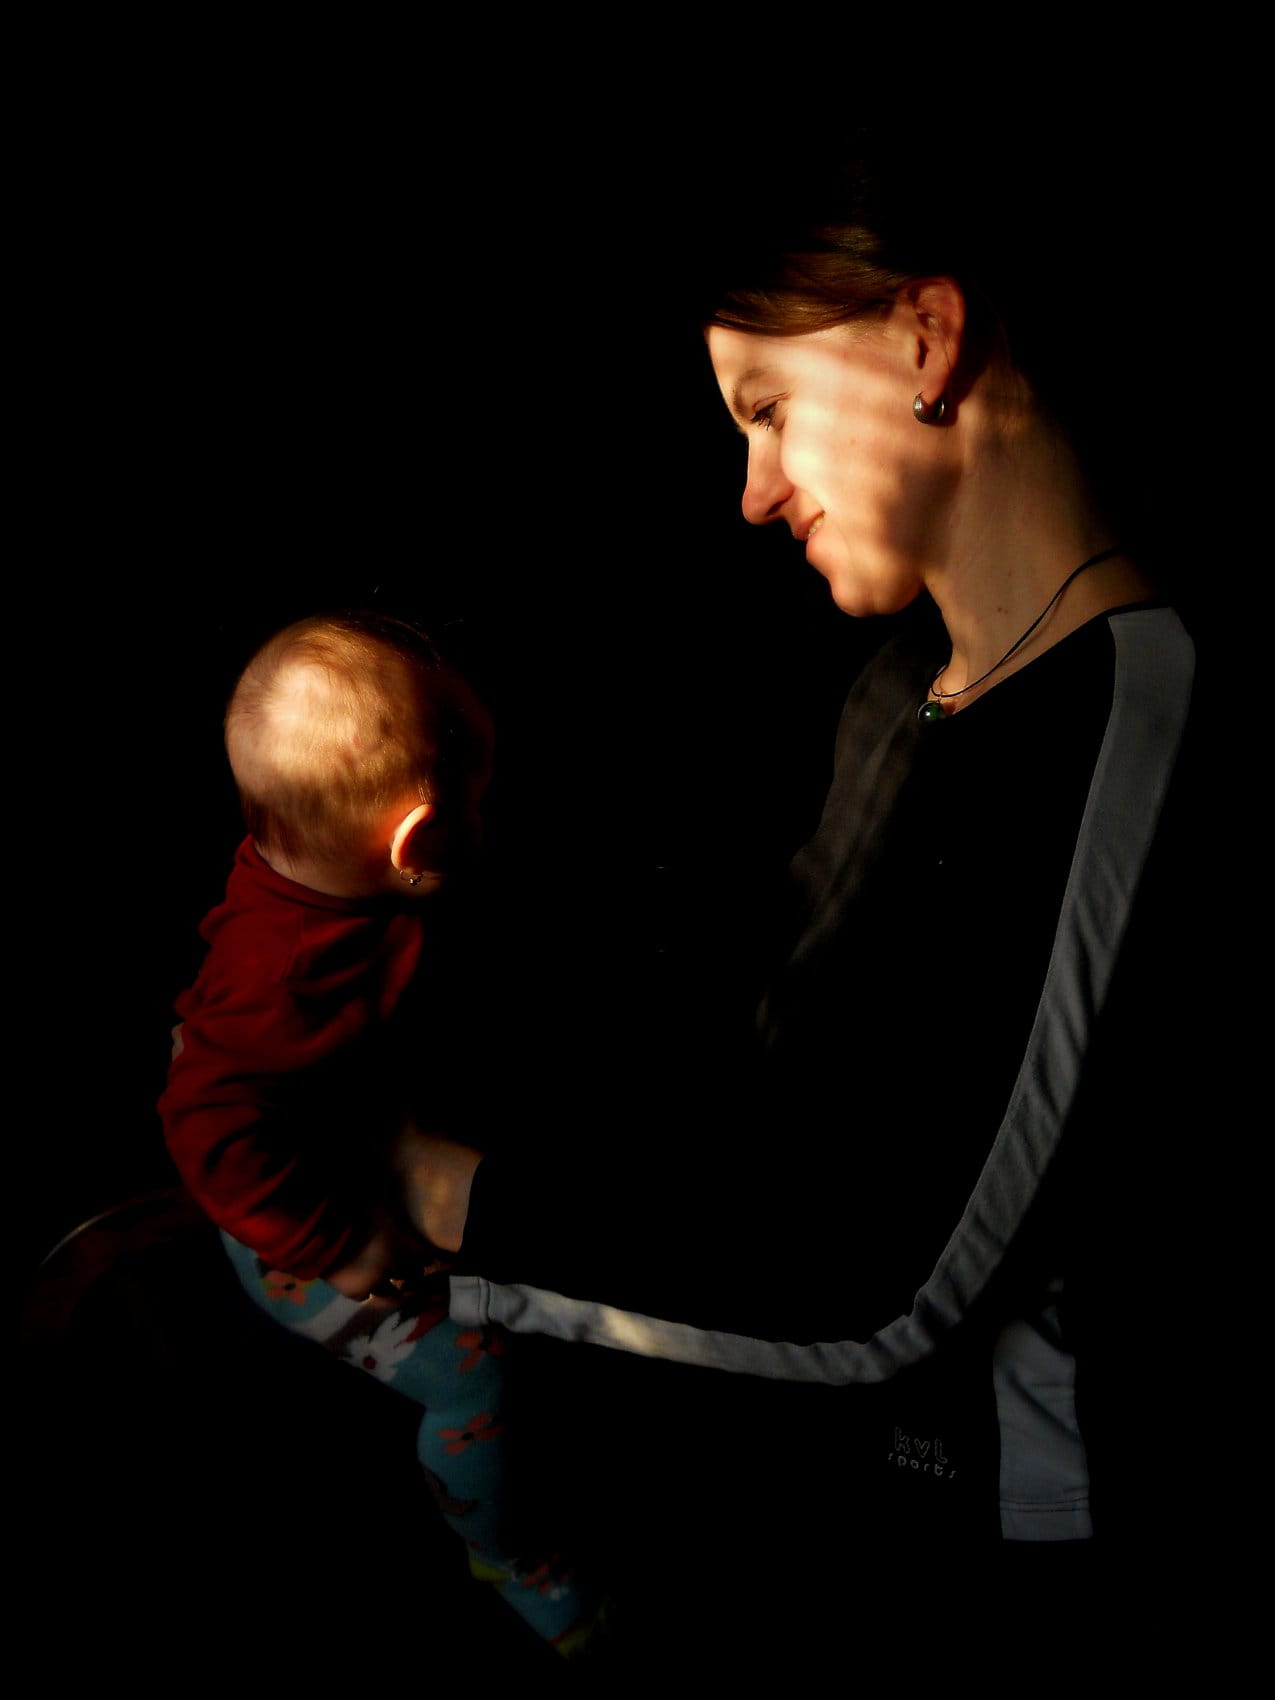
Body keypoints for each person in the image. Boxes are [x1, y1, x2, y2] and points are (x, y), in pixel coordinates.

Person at [385, 132, 1227, 1663]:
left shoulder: (1130, 713)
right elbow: (764, 1089)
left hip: (1015, 1572)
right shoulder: (898, 681)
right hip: (817, 1501)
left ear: (924, 338)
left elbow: (877, 1279)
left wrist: (455, 1202)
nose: (753, 492)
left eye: (766, 408)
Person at [157, 609, 595, 1656]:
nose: (489, 814)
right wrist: (339, 1241)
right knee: (476, 1376)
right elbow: (206, 1129)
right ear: (415, 844)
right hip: (292, 1222)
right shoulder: (278, 982)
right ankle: (506, 1554)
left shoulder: (313, 863)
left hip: (347, 1122)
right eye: (477, 802)